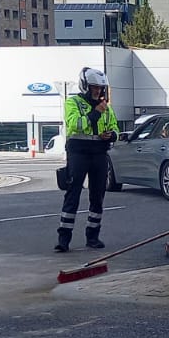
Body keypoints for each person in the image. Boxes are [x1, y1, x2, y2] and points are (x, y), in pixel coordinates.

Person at [56, 67, 119, 253]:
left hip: (99, 153)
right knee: (73, 193)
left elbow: (114, 126)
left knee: (97, 196)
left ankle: (93, 236)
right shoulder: (73, 102)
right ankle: (63, 239)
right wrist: (96, 112)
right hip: (78, 153)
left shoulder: (106, 107)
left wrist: (112, 135)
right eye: (94, 87)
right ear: (85, 86)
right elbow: (75, 124)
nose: (97, 91)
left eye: (100, 88)